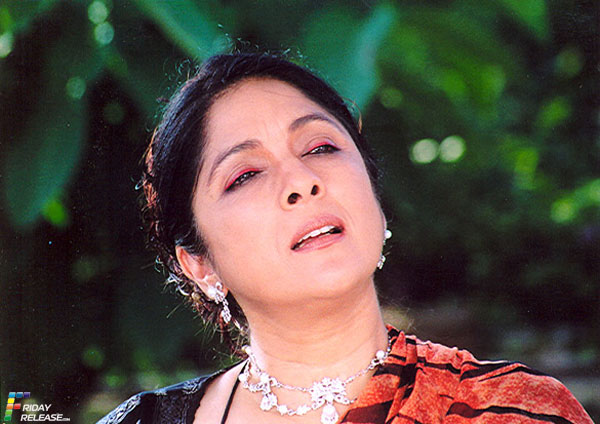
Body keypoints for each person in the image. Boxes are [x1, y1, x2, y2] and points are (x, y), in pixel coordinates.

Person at [99, 53, 593, 424]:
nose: (302, 181)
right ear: (200, 264)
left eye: (320, 147)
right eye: (245, 175)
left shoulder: (513, 410)